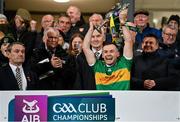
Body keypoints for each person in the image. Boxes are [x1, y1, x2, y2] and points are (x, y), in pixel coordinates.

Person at [82, 19, 135, 90]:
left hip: (123, 100)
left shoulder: (125, 63)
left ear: (118, 54)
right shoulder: (98, 66)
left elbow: (128, 41)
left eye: (111, 51)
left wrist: (123, 25)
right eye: (105, 52)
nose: (108, 54)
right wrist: (91, 29)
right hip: (104, 100)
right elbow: (85, 47)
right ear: (102, 55)